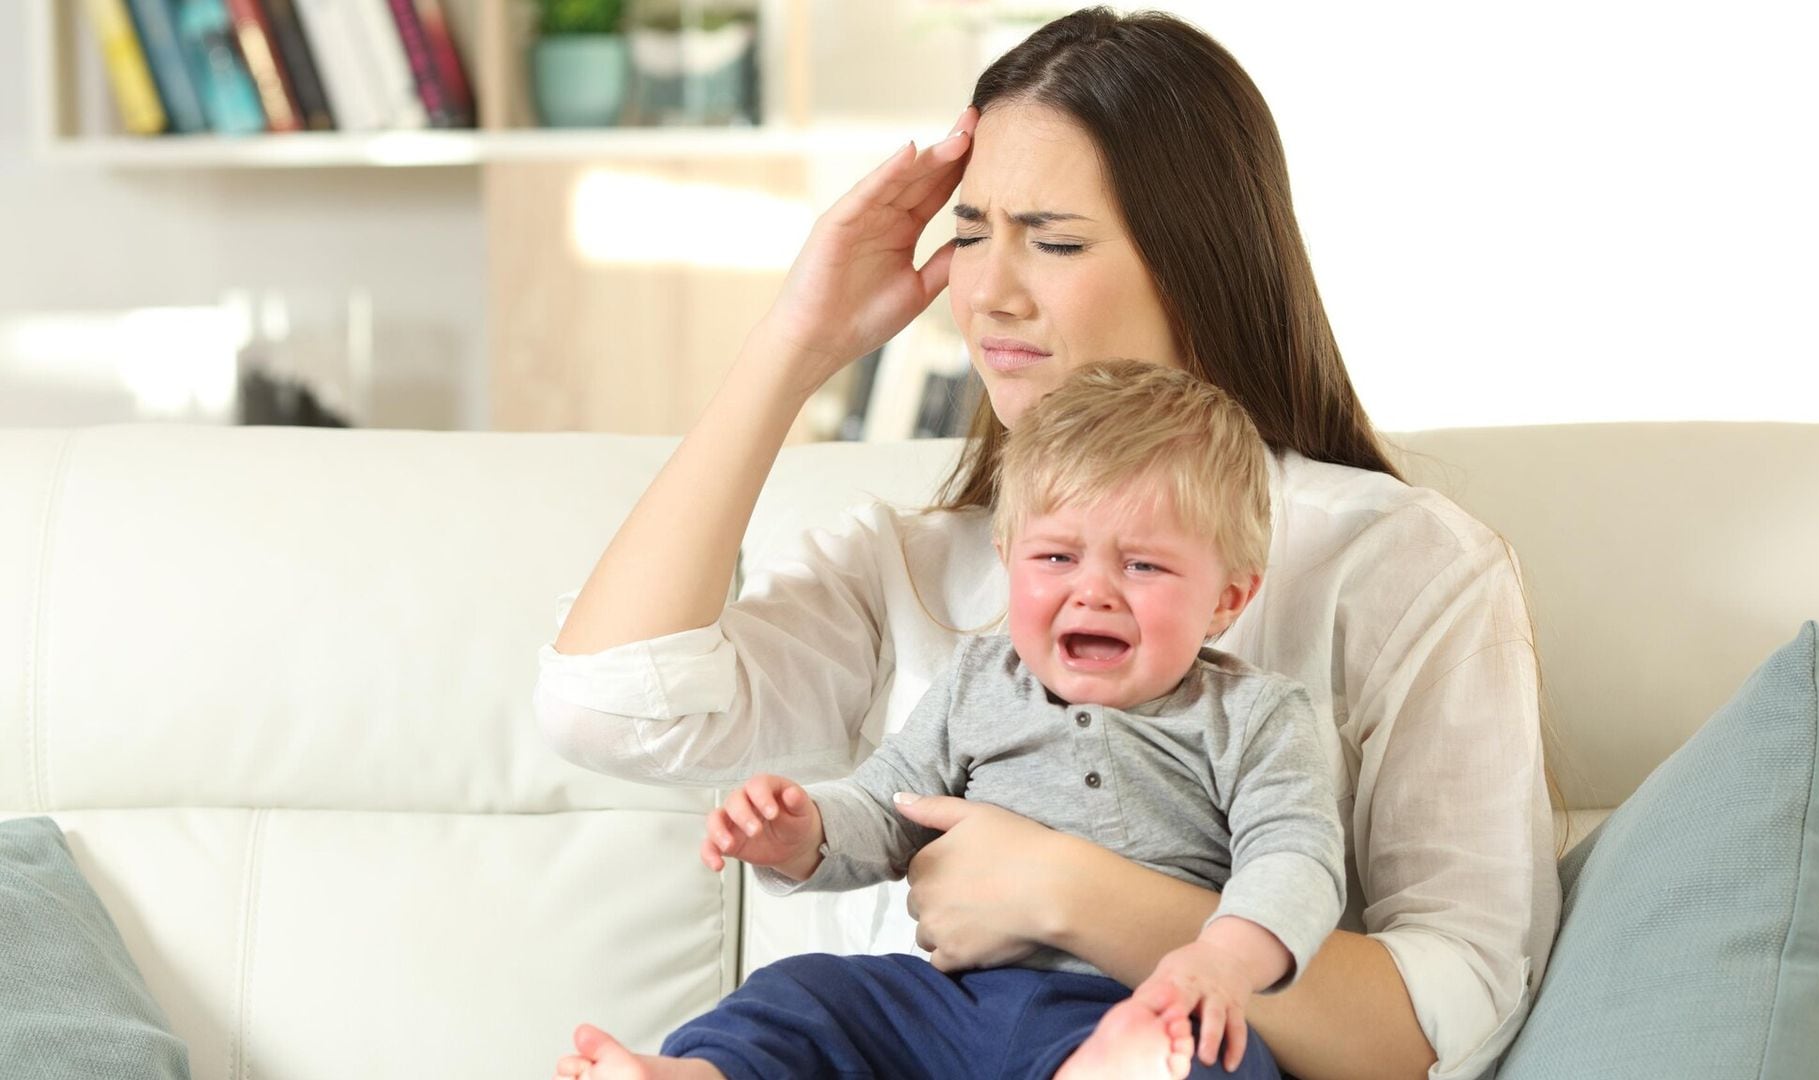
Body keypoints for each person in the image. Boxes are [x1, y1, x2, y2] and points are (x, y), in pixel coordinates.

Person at [536, 8, 1558, 1080]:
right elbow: (604, 710)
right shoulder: (911, 567)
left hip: (1154, 1038)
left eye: (1054, 240)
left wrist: (1075, 896)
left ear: (1197, 263)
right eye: (970, 232)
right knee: (790, 1009)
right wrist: (796, 343)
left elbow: (1458, 1013)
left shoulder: (1397, 564)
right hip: (920, 1039)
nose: (987, 292)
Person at [553, 361, 1345, 1080]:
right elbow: (890, 805)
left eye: (1142, 565)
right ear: (1007, 558)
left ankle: (1118, 1066)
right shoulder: (977, 680)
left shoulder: (1254, 715)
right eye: (1057, 557)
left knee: (1221, 1060)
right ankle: (696, 1076)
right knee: (805, 994)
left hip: (1130, 1001)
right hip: (943, 1006)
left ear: (1228, 599)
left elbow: (1296, 862)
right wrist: (803, 832)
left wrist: (1221, 965)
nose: (1094, 591)